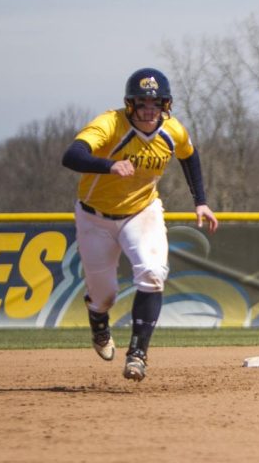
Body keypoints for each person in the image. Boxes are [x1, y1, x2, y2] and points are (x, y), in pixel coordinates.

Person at [62, 67, 218, 382]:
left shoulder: (172, 130)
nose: (150, 111)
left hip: (141, 211)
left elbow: (190, 156)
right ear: (130, 104)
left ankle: (138, 354)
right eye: (142, 104)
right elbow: (72, 156)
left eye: (156, 104)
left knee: (152, 272)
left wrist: (200, 200)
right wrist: (108, 165)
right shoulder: (111, 123)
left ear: (166, 105)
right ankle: (98, 319)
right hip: (95, 216)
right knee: (104, 295)